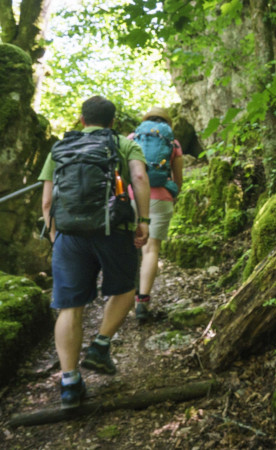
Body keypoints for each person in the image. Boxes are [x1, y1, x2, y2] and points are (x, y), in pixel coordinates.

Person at [39, 96, 151, 409]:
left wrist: (53, 231)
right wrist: (143, 220)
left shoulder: (61, 148)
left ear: (81, 119)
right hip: (113, 229)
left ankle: (70, 384)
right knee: (127, 288)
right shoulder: (122, 144)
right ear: (114, 122)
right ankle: (101, 345)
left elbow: (48, 200)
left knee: (70, 308)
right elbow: (140, 177)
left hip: (69, 233)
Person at [128, 107, 183, 322]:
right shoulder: (173, 142)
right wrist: (172, 193)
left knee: (132, 247)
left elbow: (123, 170)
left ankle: (126, 295)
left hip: (133, 196)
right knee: (151, 250)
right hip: (161, 198)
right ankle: (142, 302)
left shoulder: (133, 138)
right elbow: (178, 178)